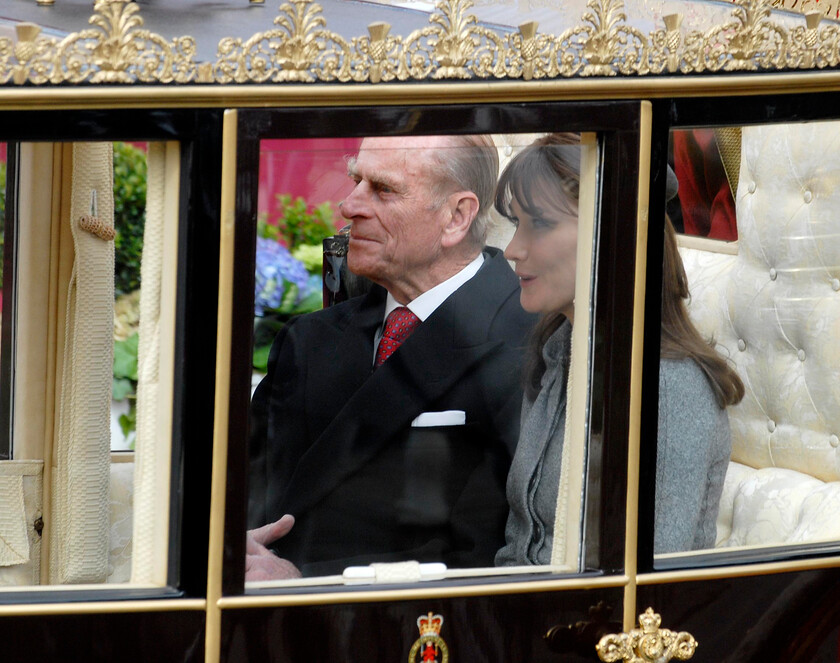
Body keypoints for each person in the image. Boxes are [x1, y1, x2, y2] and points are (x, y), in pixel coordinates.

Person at [247, 134, 536, 579]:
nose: (348, 205)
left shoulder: (530, 342)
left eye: (383, 190)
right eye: (355, 181)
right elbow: (245, 488)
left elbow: (495, 548)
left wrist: (306, 581)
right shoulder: (308, 341)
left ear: (457, 216)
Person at [493, 133, 745, 566]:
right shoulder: (558, 352)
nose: (513, 249)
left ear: (608, 232)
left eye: (539, 223)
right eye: (516, 223)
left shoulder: (665, 387)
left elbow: (643, 593)